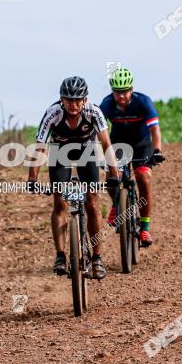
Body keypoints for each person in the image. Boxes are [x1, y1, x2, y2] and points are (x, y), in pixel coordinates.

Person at [27, 76, 120, 279]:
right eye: (69, 100)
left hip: (87, 151)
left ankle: (97, 259)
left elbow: (106, 144)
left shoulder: (94, 111)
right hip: (60, 152)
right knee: (60, 203)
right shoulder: (53, 113)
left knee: (92, 203)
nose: (73, 104)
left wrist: (114, 174)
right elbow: (40, 146)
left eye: (78, 100)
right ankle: (61, 256)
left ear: (85, 99)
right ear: (61, 99)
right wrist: (32, 178)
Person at [99, 67, 164, 246]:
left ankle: (144, 228)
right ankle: (115, 205)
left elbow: (154, 129)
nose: (121, 96)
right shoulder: (107, 104)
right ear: (112, 91)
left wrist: (157, 150)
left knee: (143, 177)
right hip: (119, 145)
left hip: (141, 145)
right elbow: (97, 130)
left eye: (125, 91)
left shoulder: (143, 102)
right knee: (113, 176)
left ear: (132, 89)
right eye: (117, 92)